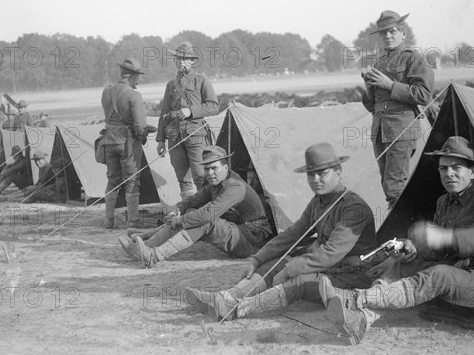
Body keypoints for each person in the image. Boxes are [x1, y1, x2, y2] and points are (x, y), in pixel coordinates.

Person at [320, 136, 474, 345]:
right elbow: (440, 253)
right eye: (443, 169)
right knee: (405, 264)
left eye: (456, 168)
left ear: (472, 171)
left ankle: (355, 299)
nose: (449, 174)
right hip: (462, 277)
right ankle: (362, 318)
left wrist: (444, 236)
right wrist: (414, 249)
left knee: (440, 275)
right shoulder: (444, 202)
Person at [187, 143, 377, 320]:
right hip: (331, 268)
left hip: (353, 275)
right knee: (277, 262)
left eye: (322, 173)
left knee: (299, 280)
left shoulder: (353, 208)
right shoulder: (319, 202)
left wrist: (291, 269)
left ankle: (236, 309)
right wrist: (258, 258)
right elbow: (292, 234)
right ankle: (228, 296)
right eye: (311, 175)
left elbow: (331, 253)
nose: (316, 180)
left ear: (338, 172)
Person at [119, 146, 275, 267]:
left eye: (214, 168)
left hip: (251, 242)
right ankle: (145, 246)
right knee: (192, 213)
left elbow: (207, 215)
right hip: (238, 232)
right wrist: (176, 210)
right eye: (206, 169)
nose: (210, 173)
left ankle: (153, 256)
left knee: (205, 220)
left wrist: (179, 220)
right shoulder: (216, 185)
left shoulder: (235, 187)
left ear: (225, 168)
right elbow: (190, 202)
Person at [361, 10, 434, 209]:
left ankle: (401, 235)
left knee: (394, 187)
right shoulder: (379, 63)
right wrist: (368, 89)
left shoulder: (413, 59)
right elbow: (373, 106)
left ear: (403, 33)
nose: (387, 36)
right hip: (380, 130)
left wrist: (390, 85)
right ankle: (399, 233)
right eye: (383, 33)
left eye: (392, 31)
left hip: (402, 129)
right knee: (388, 185)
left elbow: (424, 95)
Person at [156, 41, 219, 199]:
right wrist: (161, 140)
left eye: (185, 59)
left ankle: (206, 211)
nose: (181, 62)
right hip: (174, 136)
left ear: (192, 61)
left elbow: (213, 106)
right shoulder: (171, 85)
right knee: (182, 179)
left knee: (201, 176)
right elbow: (164, 113)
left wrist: (190, 110)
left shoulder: (201, 81)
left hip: (196, 136)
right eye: (178, 59)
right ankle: (189, 211)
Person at [101, 58, 147, 229]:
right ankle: (132, 220)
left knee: (112, 179)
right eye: (138, 76)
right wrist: (142, 136)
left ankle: (108, 220)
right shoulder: (134, 95)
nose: (139, 81)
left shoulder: (106, 92)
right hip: (127, 143)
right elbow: (140, 125)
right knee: (132, 180)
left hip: (108, 141)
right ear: (133, 76)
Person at [0, 150, 66, 203]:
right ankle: (7, 197)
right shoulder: (42, 167)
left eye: (39, 160)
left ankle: (9, 199)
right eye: (35, 161)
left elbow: (50, 183)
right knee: (28, 189)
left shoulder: (49, 168)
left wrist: (37, 187)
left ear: (44, 159)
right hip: (43, 187)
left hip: (48, 189)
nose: (37, 163)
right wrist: (35, 186)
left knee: (32, 193)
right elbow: (40, 181)